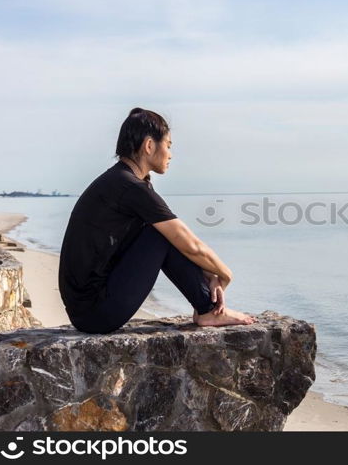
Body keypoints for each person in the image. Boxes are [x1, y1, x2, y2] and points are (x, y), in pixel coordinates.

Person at [58, 107, 256, 333]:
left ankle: (206, 306)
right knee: (162, 234)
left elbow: (182, 245)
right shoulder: (130, 187)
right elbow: (188, 242)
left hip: (87, 309)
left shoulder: (120, 181)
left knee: (162, 232)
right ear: (149, 145)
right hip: (96, 312)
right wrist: (224, 274)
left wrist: (208, 274)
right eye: (168, 146)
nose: (170, 154)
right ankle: (208, 310)